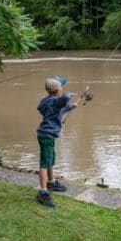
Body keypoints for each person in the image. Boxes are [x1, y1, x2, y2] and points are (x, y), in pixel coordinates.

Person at [35, 76, 77, 207]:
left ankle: (51, 182)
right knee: (44, 163)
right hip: (46, 135)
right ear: (58, 90)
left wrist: (70, 107)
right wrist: (70, 94)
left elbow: (53, 109)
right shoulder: (57, 100)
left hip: (47, 135)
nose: (63, 89)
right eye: (61, 87)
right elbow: (63, 99)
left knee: (50, 159)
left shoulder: (46, 101)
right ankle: (43, 192)